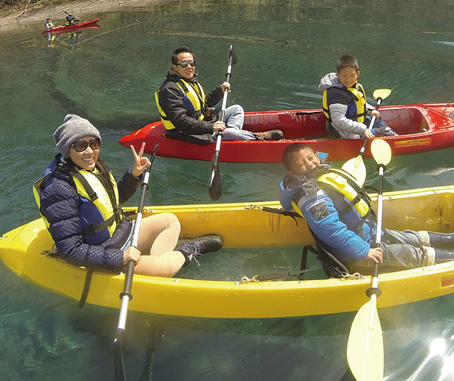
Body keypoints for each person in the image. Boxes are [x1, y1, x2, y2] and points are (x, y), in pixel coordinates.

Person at [34, 114, 223, 277]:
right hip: (104, 250)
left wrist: (133, 175)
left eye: (94, 143)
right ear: (67, 150)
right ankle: (185, 251)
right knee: (166, 268)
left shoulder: (92, 167)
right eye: (80, 145)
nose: (90, 151)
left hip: (120, 233)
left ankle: (153, 266)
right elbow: (71, 250)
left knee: (170, 221)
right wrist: (120, 258)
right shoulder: (59, 188)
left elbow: (112, 202)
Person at [278, 143, 454, 274]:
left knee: (408, 237)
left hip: (369, 231)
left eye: (311, 157)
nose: (310, 164)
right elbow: (330, 229)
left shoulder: (322, 173)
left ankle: (452, 241)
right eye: (302, 164)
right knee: (407, 252)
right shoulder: (311, 194)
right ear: (293, 171)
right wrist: (363, 251)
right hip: (353, 254)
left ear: (317, 155)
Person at [154, 46, 284, 145]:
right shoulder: (170, 90)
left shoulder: (189, 81)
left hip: (203, 122)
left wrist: (220, 91)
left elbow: (204, 104)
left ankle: (229, 137)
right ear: (175, 67)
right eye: (184, 64)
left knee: (237, 109)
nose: (190, 67)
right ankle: (253, 137)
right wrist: (212, 127)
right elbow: (181, 122)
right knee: (231, 132)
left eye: (192, 63)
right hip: (186, 132)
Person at [318, 55, 398, 140]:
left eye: (352, 75)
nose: (348, 80)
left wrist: (369, 111)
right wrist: (362, 130)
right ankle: (396, 141)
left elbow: (358, 102)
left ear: (357, 74)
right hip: (341, 129)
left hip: (355, 123)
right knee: (366, 135)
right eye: (344, 76)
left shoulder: (354, 86)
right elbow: (338, 121)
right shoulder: (337, 94)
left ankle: (396, 138)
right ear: (338, 75)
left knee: (380, 123)